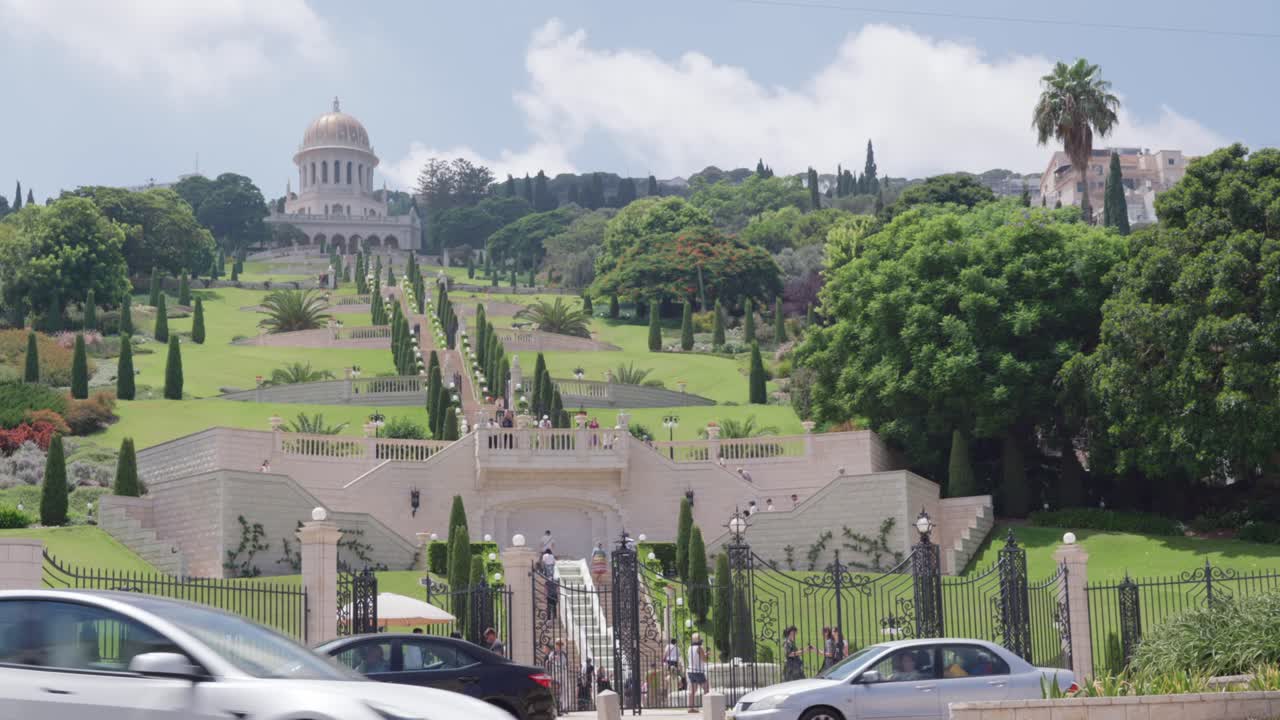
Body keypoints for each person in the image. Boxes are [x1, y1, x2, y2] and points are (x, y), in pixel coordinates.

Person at [546, 639, 570, 716]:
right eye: (557, 644)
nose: (559, 646)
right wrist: (554, 659)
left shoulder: (564, 654)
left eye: (560, 645)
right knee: (556, 691)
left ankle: (564, 707)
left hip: (563, 673)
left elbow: (565, 663)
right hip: (555, 674)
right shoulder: (552, 653)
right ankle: (556, 708)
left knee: (565, 690)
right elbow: (549, 661)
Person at [686, 633, 708, 713]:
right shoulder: (700, 648)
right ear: (699, 640)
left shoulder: (690, 648)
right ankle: (707, 706)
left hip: (690, 671)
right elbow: (704, 659)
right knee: (706, 688)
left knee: (692, 690)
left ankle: (690, 708)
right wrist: (707, 654)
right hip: (698, 671)